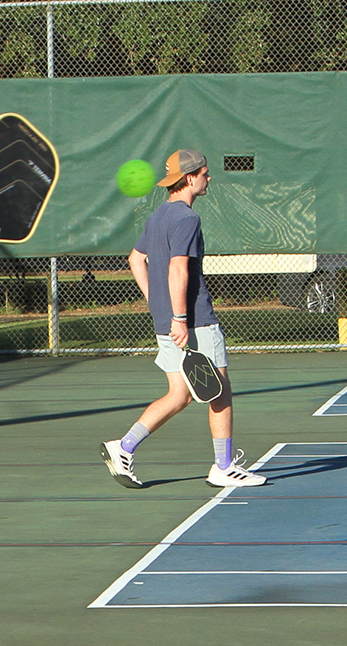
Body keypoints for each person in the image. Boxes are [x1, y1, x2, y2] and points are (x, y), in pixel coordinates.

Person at [100, 149, 266, 490]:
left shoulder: (158, 215)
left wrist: (157, 303)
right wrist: (178, 317)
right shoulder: (187, 218)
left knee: (179, 395)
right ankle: (223, 467)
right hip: (194, 321)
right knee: (220, 393)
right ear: (190, 178)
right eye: (204, 173)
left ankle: (123, 447)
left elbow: (135, 259)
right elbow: (178, 269)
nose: (209, 177)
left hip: (168, 322)